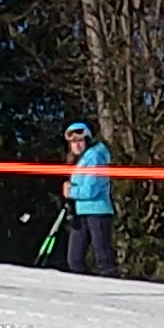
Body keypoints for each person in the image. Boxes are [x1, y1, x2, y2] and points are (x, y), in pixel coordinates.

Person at [49, 119, 117, 277]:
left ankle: (110, 284)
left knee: (103, 258)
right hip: (81, 213)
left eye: (80, 141)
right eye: (73, 142)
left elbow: (91, 189)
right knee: (74, 259)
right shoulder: (81, 159)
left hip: (97, 212)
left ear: (87, 140)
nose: (77, 145)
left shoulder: (95, 157)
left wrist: (71, 192)